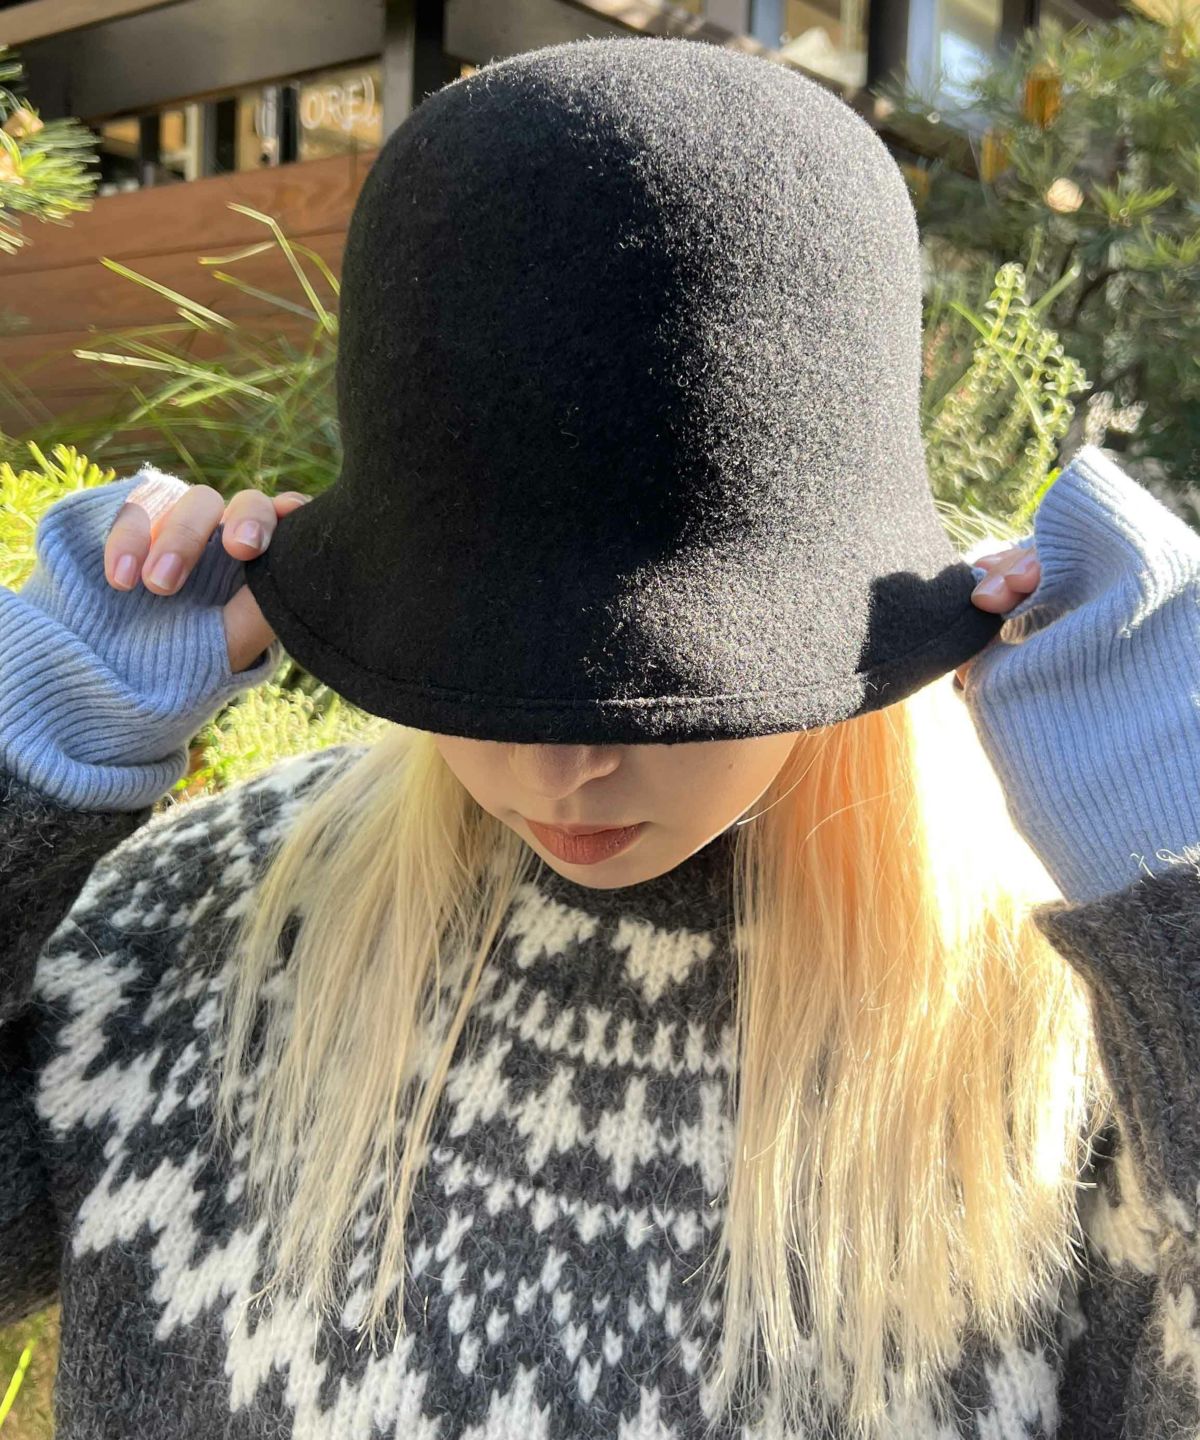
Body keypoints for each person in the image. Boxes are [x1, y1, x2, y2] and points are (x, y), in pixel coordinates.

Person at [1, 35, 1198, 1440]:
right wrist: (29, 757)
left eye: (663, 687)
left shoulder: (1067, 1052)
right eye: (484, 671)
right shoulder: (213, 930)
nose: (560, 768)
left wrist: (1181, 926)